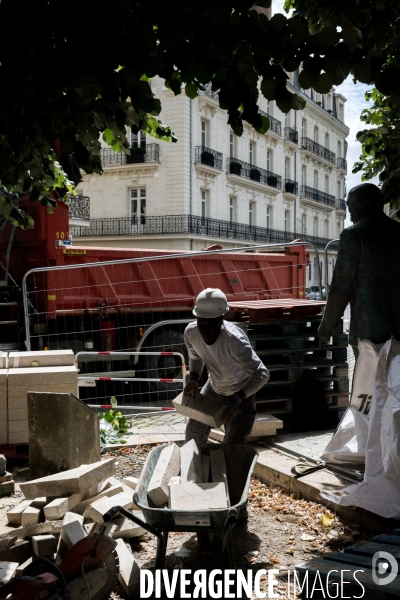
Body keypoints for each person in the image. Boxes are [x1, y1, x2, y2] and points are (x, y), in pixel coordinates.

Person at [318, 183, 400, 356]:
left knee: (368, 381)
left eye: (349, 207)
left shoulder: (353, 235)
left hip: (368, 333)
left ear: (360, 207)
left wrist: (326, 327)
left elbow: (341, 288)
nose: (349, 214)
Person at [183, 287, 270, 444]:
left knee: (234, 441)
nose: (205, 329)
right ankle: (197, 466)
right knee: (193, 432)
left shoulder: (234, 341)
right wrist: (194, 378)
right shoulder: (191, 333)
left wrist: (238, 397)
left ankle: (230, 466)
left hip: (241, 390)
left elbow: (262, 374)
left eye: (210, 324)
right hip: (214, 387)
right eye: (201, 322)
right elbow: (195, 357)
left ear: (221, 319)